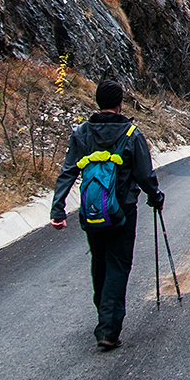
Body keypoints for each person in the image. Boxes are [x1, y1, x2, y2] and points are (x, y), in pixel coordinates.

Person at [49, 79, 163, 350]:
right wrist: (155, 197)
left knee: (99, 262)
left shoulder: (82, 133)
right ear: (119, 103)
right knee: (118, 264)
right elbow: (144, 174)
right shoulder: (131, 133)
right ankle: (109, 328)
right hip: (122, 210)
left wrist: (58, 208)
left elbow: (68, 171)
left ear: (98, 102)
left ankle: (103, 313)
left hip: (92, 210)